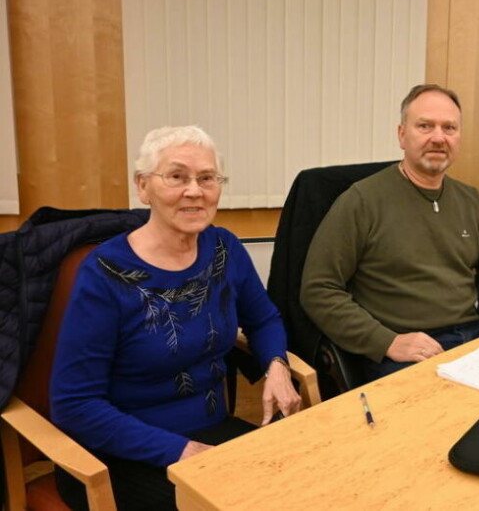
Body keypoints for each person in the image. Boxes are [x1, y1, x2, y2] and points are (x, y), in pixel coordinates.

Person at [51, 126, 301, 511]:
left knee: (303, 488)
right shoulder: (103, 275)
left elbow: (264, 318)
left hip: (211, 433)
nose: (194, 191)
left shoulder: (224, 247)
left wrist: (277, 365)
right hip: (119, 453)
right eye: (177, 176)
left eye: (207, 178)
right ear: (143, 187)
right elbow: (75, 404)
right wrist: (180, 450)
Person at [299, 84, 479, 379]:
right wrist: (387, 341)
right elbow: (319, 290)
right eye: (425, 126)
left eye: (449, 128)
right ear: (401, 135)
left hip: (471, 338)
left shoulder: (470, 200)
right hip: (405, 350)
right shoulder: (360, 201)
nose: (438, 137)